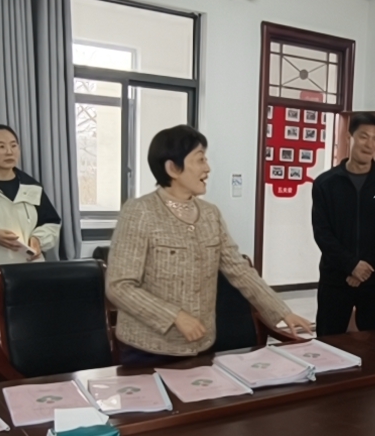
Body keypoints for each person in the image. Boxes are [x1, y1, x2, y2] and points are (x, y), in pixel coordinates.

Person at [105, 125, 315, 361]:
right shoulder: (139, 212)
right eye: (200, 159)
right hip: (147, 350)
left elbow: (239, 270)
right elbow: (119, 286)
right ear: (172, 168)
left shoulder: (210, 214)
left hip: (202, 345)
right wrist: (174, 316)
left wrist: (282, 311)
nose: (207, 168)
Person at [0, 123, 61, 379]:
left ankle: (37, 394)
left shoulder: (32, 186)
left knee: (34, 340)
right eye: (1, 146)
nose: (9, 151)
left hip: (31, 277)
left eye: (13, 145)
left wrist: (39, 239)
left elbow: (52, 223)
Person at [310, 113, 375, 334]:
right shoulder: (326, 183)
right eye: (363, 136)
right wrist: (351, 265)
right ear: (349, 138)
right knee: (329, 342)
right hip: (336, 279)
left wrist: (365, 267)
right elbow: (322, 233)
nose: (369, 144)